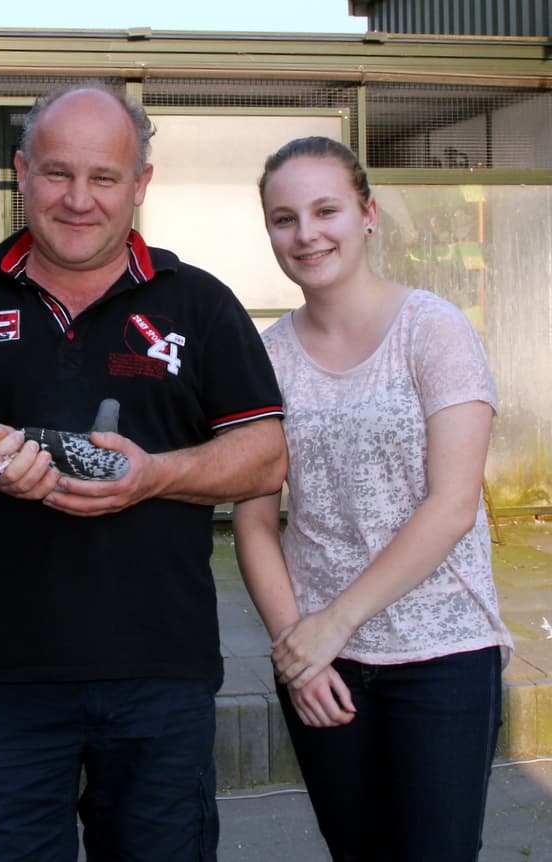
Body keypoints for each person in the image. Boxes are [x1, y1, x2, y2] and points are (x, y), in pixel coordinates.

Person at [0, 84, 286, 861]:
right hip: (5, 682)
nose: (78, 199)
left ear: (141, 183)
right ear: (22, 171)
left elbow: (265, 454)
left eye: (104, 177)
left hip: (162, 675)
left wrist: (152, 476)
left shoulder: (198, 303)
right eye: (57, 173)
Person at [233, 136, 513, 861]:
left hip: (442, 652)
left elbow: (451, 506)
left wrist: (335, 623)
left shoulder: (434, 330)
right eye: (284, 218)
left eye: (325, 210)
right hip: (321, 663)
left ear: (368, 214)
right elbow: (254, 521)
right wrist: (298, 648)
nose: (306, 234)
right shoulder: (265, 357)